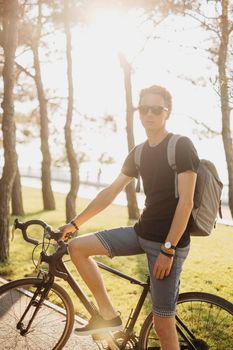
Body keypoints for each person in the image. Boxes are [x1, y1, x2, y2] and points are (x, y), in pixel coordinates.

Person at [59, 85, 200, 350]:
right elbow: (110, 192)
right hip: (140, 233)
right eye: (144, 108)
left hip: (168, 244)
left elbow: (187, 201)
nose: (149, 114)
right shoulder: (139, 152)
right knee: (77, 247)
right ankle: (109, 315)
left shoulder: (181, 146)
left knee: (162, 326)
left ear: (167, 113)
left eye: (156, 109)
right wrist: (75, 223)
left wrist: (168, 250)